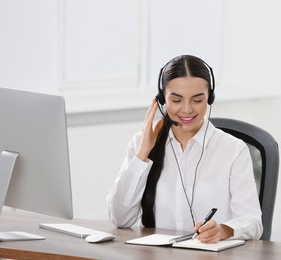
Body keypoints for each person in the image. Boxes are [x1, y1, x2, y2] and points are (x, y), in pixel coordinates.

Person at [107, 55, 262, 243]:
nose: (187, 110)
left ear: (210, 98)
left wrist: (223, 230)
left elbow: (253, 222)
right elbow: (120, 219)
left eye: (197, 100)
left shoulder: (233, 150)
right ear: (162, 99)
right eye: (177, 100)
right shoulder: (141, 145)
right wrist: (142, 154)